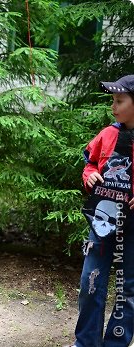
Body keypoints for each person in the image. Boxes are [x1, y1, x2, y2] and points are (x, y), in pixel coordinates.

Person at [72, 74, 134, 347]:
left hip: (133, 232)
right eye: (113, 100)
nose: (114, 106)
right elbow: (90, 164)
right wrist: (90, 176)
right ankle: (86, 343)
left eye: (119, 101)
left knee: (128, 290)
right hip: (102, 223)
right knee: (91, 282)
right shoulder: (107, 134)